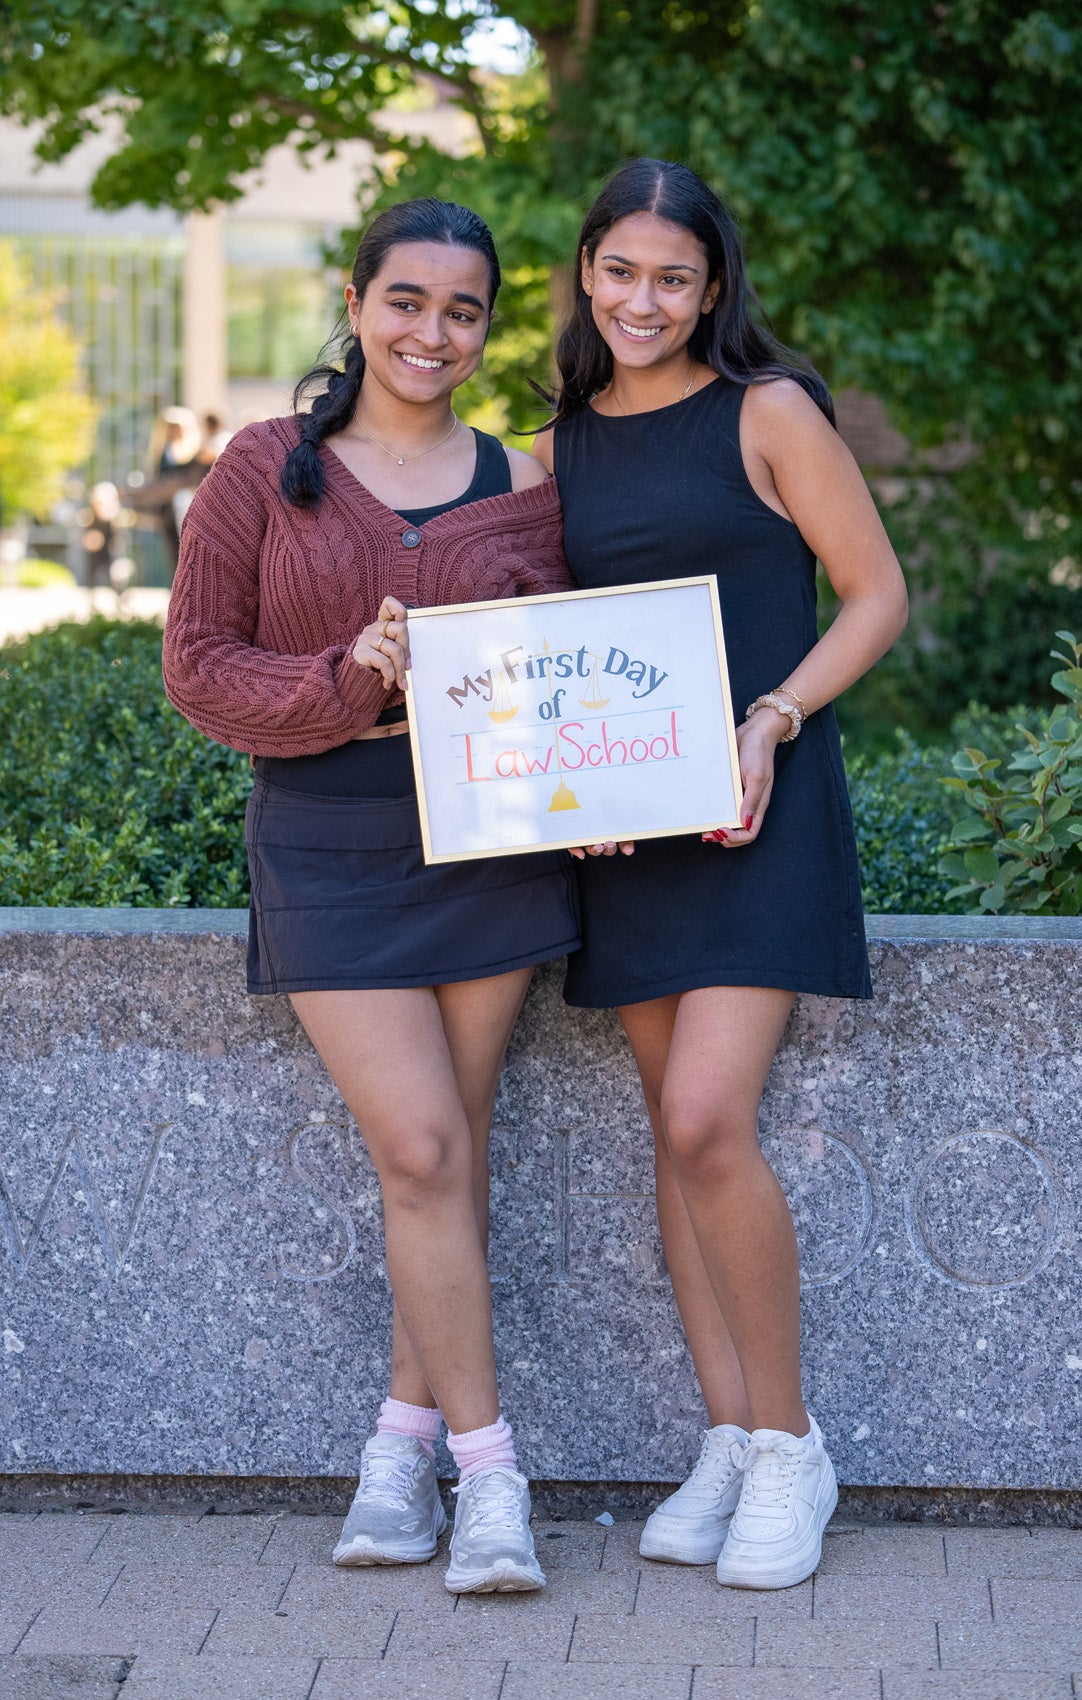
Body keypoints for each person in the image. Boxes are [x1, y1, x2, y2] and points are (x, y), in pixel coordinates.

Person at [163, 198, 581, 1594]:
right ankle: (497, 1479)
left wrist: (601, 791)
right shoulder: (263, 466)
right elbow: (198, 667)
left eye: (464, 310)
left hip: (484, 851)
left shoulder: (522, 481)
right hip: (328, 844)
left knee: (443, 1159)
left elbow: (562, 685)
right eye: (407, 301)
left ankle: (399, 1454)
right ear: (357, 303)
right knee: (418, 1149)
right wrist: (346, 680)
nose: (433, 333)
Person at [533, 158, 907, 1591]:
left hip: (759, 808)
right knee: (665, 1142)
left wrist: (772, 718)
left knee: (705, 1121)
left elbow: (874, 593)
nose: (643, 300)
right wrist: (566, 785)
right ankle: (730, 1437)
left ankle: (793, 1444)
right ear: (584, 272)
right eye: (619, 271)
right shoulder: (560, 442)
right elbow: (556, 653)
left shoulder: (769, 413)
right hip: (628, 834)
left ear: (711, 287)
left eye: (672, 278)